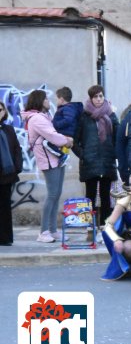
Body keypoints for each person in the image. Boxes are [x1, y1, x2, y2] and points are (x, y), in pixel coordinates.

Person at [24, 90, 74, 243]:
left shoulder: (43, 116)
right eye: (46, 98)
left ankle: (52, 230)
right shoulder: (37, 118)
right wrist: (67, 140)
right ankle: (43, 231)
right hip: (48, 160)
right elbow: (52, 135)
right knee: (52, 194)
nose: (48, 100)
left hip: (55, 158)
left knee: (56, 194)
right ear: (39, 101)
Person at [73, 85, 119, 231]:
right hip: (90, 162)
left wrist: (114, 153)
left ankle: (105, 225)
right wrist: (83, 155)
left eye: (101, 96)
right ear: (91, 98)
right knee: (90, 196)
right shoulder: (84, 116)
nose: (98, 99)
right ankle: (89, 225)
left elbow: (118, 137)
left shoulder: (111, 114)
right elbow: (75, 140)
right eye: (95, 97)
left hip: (106, 160)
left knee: (106, 196)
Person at [0, 101, 23, 246]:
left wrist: (17, 166)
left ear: (4, 112)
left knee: (5, 208)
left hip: (6, 175)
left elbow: (16, 149)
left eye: (0, 110)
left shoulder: (8, 129)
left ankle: (6, 238)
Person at [45, 86, 83, 167]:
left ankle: (62, 155)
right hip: (65, 133)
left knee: (47, 143)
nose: (56, 101)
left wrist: (56, 124)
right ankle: (62, 156)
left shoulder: (67, 108)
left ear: (61, 99)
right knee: (57, 145)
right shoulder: (67, 108)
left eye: (57, 99)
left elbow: (68, 119)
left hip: (65, 133)